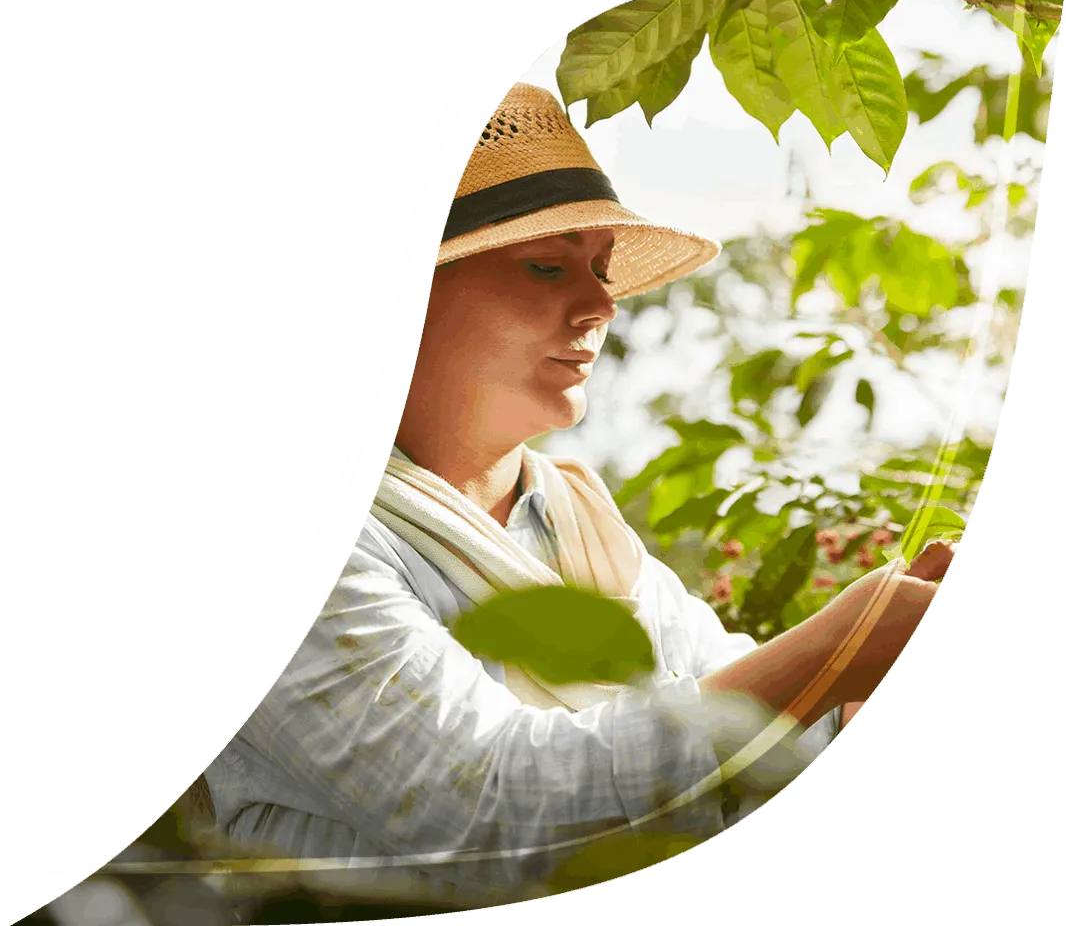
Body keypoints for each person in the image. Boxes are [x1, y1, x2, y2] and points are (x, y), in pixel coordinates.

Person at [200, 83, 949, 909]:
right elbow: (484, 809)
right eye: (546, 266)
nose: (600, 303)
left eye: (599, 269)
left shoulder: (576, 522)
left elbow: (737, 709)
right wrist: (832, 649)